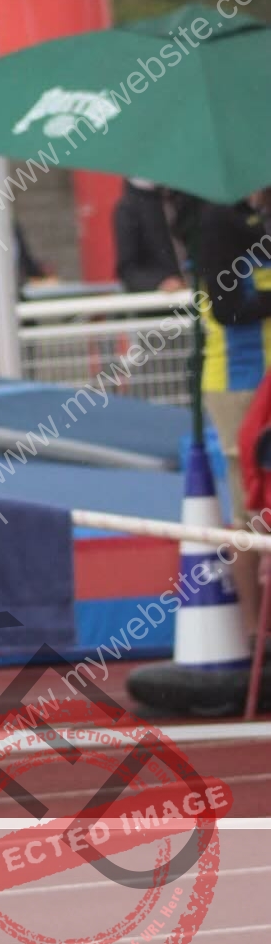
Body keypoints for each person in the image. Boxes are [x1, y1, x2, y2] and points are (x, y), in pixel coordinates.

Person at [198, 187, 271, 635]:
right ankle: (253, 631)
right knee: (250, 506)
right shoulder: (219, 221)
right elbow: (227, 308)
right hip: (237, 380)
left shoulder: (257, 218)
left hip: (265, 376)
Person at [114, 179, 185, 293]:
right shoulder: (128, 208)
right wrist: (161, 282)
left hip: (195, 291)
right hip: (166, 301)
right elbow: (128, 271)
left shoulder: (177, 197)